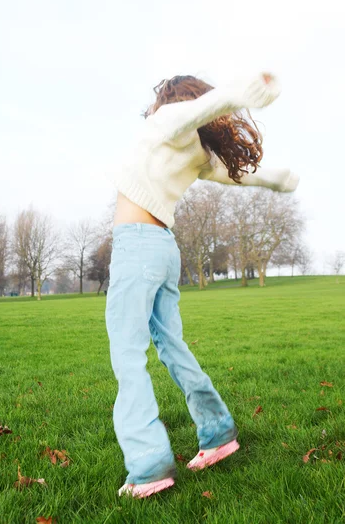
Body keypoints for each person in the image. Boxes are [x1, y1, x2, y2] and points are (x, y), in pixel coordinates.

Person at [105, 73, 299, 498]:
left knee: (127, 354)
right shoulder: (196, 149)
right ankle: (218, 434)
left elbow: (191, 112)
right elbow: (238, 177)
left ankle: (148, 463)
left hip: (136, 245)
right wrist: (278, 178)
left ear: (168, 99)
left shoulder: (165, 122)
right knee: (172, 346)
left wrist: (243, 93)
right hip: (163, 248)